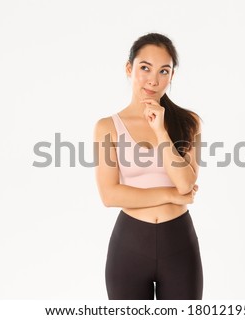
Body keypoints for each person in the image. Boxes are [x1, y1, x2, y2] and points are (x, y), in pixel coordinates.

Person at [94, 32, 203, 300]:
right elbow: (110, 195)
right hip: (129, 245)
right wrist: (167, 195)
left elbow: (185, 184)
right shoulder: (107, 127)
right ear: (129, 69)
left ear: (172, 76)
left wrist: (160, 131)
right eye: (145, 68)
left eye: (163, 71)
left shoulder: (189, 122)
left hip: (179, 242)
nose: (153, 80)